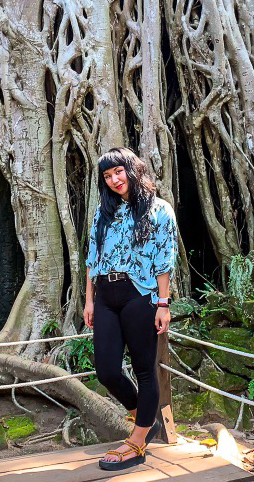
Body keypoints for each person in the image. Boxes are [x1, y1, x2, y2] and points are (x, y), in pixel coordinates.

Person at [84, 146, 178, 472]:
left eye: (118, 172)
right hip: (106, 295)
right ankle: (146, 417)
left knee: (144, 370)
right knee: (106, 371)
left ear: (131, 168)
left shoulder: (159, 210)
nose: (113, 180)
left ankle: (137, 444)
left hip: (141, 295)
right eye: (107, 176)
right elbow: (92, 257)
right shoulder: (104, 212)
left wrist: (163, 304)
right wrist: (89, 299)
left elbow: (165, 260)